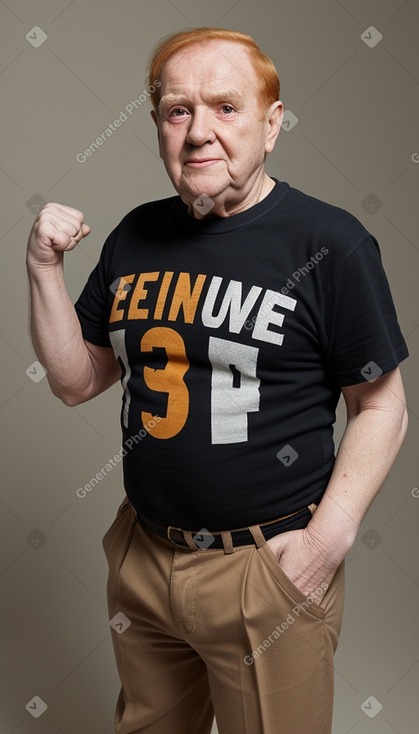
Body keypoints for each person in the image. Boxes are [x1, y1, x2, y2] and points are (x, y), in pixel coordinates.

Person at [26, 26, 409, 734]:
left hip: (265, 565)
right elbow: (76, 381)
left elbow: (381, 404)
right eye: (178, 110)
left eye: (224, 108)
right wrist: (44, 269)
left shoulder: (328, 243)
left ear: (271, 124)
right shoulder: (134, 236)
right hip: (145, 554)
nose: (199, 131)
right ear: (158, 127)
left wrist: (326, 542)